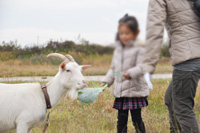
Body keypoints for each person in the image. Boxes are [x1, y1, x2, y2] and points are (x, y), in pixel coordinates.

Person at [143, 0, 200, 132]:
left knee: (183, 108)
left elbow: (155, 30)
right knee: (171, 98)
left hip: (188, 58)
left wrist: (149, 66)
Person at [101, 14, 149, 133]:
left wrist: (130, 73)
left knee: (136, 119)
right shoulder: (118, 50)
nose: (124, 36)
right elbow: (113, 69)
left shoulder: (139, 49)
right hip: (121, 92)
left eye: (127, 33)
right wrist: (106, 81)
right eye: (121, 33)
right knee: (121, 120)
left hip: (134, 91)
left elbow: (141, 67)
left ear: (136, 33)